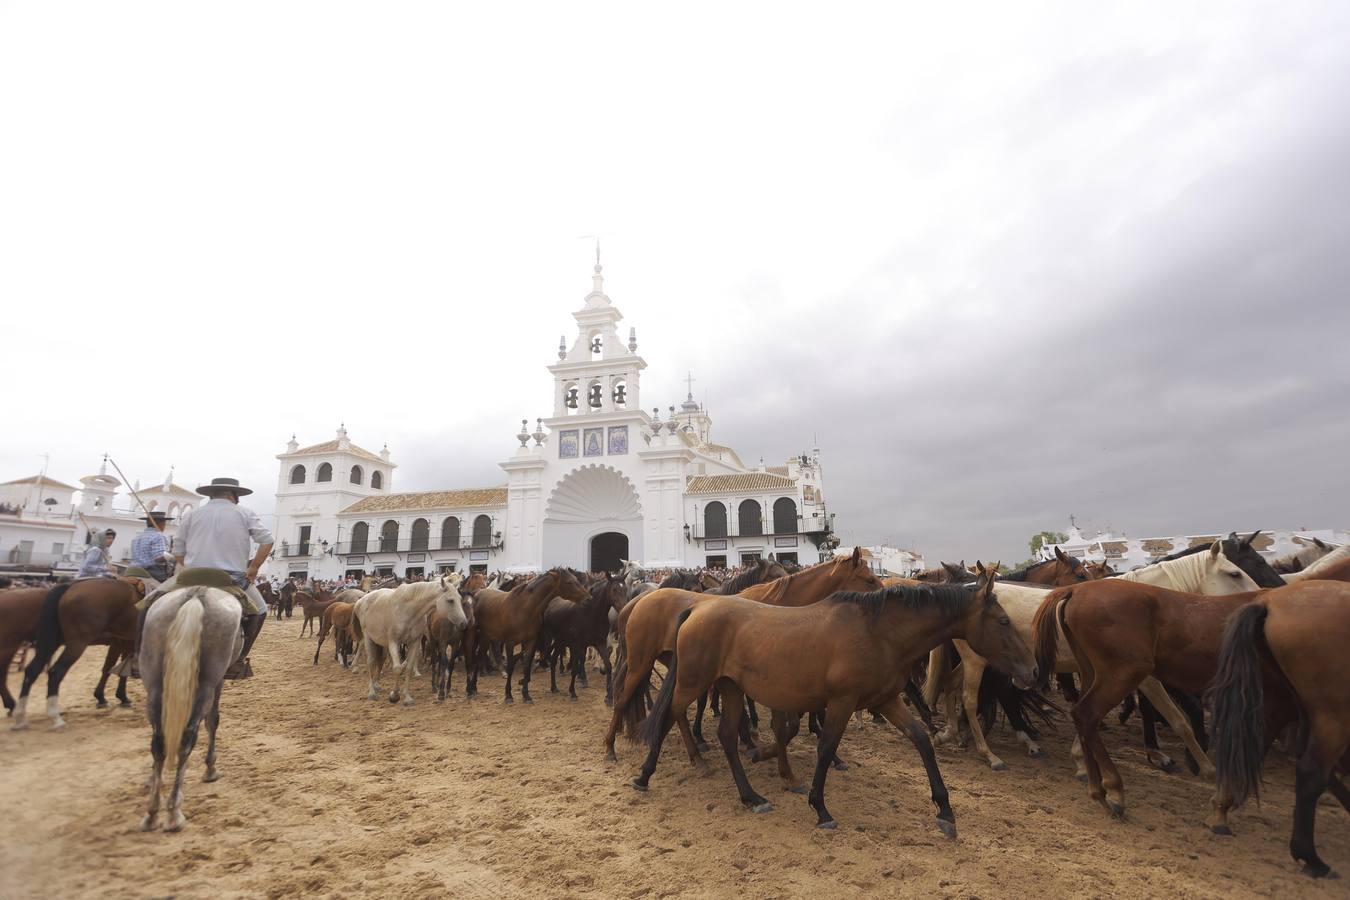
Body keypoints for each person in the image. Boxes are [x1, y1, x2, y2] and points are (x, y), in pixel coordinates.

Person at [132, 477, 273, 680]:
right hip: (230, 578)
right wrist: (253, 567)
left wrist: (190, 565)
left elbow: (177, 552)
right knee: (260, 611)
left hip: (191, 575)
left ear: (210, 494)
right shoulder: (245, 513)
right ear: (233, 495)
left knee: (148, 604)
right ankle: (239, 660)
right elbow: (267, 540)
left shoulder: (193, 514)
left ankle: (137, 657)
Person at [129, 511, 174, 582]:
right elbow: (158, 558)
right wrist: (171, 556)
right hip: (151, 572)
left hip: (133, 569)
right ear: (161, 523)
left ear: (147, 523)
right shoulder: (159, 536)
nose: (165, 526)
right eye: (165, 523)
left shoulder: (137, 537)